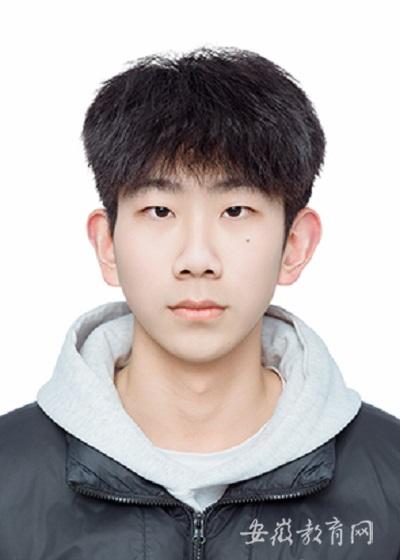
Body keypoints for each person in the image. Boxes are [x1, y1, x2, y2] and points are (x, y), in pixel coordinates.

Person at [1, 45, 399, 559]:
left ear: (294, 245)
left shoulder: (389, 480)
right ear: (107, 245)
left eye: (235, 211)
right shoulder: (9, 476)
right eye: (159, 210)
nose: (196, 259)